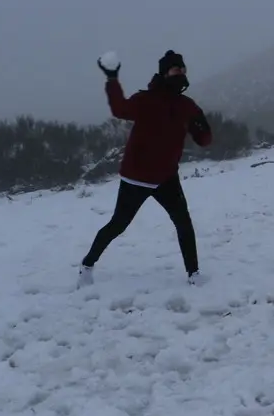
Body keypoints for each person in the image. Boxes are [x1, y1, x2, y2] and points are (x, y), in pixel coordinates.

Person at [78, 50, 213, 287]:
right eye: (176, 69)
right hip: (137, 178)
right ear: (165, 73)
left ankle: (193, 274)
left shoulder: (186, 105)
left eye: (183, 70)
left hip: (167, 177)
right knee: (118, 225)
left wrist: (201, 123)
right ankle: (87, 265)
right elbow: (119, 109)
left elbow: (204, 140)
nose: (181, 73)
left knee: (183, 223)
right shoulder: (146, 100)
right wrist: (112, 78)